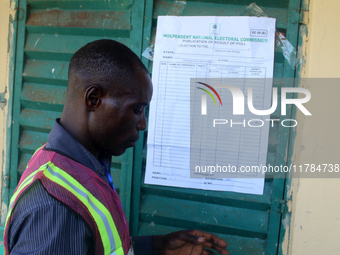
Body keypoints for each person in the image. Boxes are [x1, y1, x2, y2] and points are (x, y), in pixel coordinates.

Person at [4, 40, 230, 255]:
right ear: (94, 99)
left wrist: (156, 247)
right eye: (136, 110)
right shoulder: (56, 208)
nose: (142, 124)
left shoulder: (76, 164)